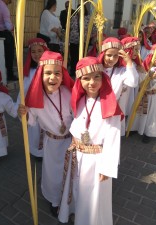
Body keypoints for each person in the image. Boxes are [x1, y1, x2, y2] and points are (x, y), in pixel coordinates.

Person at [58, 56, 123, 225]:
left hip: (96, 160)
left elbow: (114, 137)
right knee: (77, 189)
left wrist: (107, 167)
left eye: (96, 77)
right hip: (77, 155)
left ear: (103, 78)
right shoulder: (79, 100)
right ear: (79, 81)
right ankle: (75, 214)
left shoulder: (109, 104)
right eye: (86, 78)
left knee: (93, 195)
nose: (91, 82)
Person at [18, 51, 74, 217]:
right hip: (51, 143)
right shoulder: (35, 99)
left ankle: (70, 200)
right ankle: (55, 199)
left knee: (71, 173)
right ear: (40, 75)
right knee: (52, 174)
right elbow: (31, 121)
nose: (53, 78)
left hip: (71, 142)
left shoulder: (68, 92)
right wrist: (23, 112)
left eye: (57, 73)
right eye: (48, 73)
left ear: (63, 76)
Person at [15, 38, 49, 160]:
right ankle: (37, 152)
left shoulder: (51, 69)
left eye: (40, 51)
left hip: (48, 107)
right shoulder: (29, 72)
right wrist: (20, 106)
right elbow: (23, 91)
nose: (37, 54)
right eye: (33, 52)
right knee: (35, 131)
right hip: (33, 109)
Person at [98, 37, 138, 136]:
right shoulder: (96, 68)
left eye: (115, 56)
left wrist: (129, 63)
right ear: (103, 54)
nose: (112, 59)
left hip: (112, 111)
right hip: (97, 109)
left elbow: (133, 82)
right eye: (109, 55)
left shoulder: (121, 71)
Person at [130, 44, 156, 143]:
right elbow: (140, 80)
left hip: (152, 96)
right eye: (155, 58)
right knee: (137, 111)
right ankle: (134, 128)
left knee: (150, 114)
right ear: (151, 56)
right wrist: (145, 74)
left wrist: (154, 79)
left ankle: (149, 132)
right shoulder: (143, 66)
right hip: (141, 94)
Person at [0, 0, 18, 82]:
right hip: (5, 34)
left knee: (1, 56)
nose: (11, 1)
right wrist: (14, 27)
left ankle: (1, 74)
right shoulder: (3, 7)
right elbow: (8, 26)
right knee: (9, 56)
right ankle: (10, 75)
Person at [69, 4, 96, 76]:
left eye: (82, 9)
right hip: (73, 41)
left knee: (82, 57)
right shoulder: (73, 18)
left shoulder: (88, 18)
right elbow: (69, 28)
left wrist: (88, 37)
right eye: (79, 9)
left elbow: (93, 29)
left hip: (83, 41)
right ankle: (72, 71)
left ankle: (81, 71)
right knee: (73, 57)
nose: (80, 11)